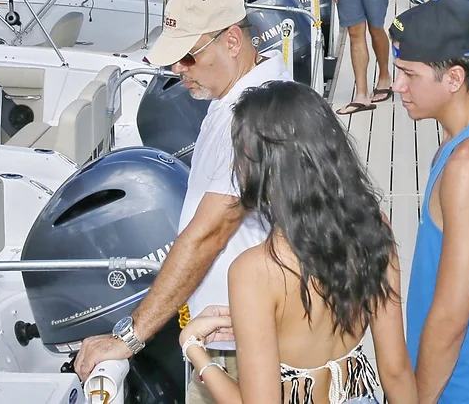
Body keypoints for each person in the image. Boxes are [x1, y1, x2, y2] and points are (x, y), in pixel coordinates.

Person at [73, 0, 288, 399]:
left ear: (231, 41)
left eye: (188, 56)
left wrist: (130, 337)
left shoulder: (252, 118)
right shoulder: (238, 99)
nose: (177, 69)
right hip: (227, 335)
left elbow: (209, 234)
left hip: (241, 349)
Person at [178, 81, 416, 404]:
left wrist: (194, 348)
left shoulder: (256, 272)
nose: (236, 167)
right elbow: (397, 371)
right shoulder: (374, 230)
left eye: (240, 155)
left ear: (267, 169)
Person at [390, 0, 469, 404]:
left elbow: (450, 317)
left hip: (460, 390)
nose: (398, 86)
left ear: (454, 78)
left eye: (410, 74)